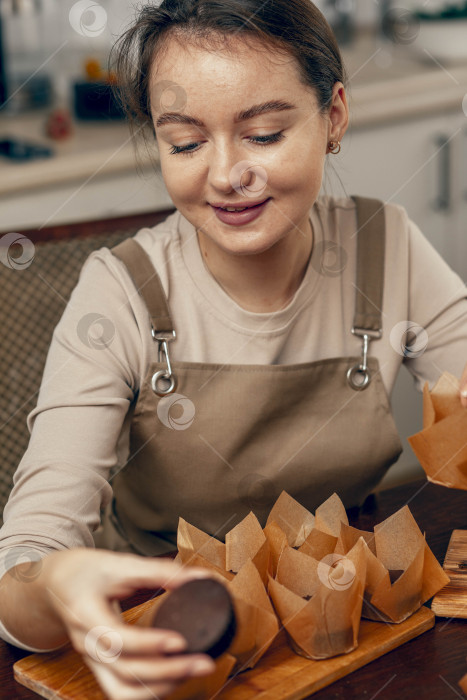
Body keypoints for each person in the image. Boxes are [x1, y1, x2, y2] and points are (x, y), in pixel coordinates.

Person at [1, 0, 467, 697]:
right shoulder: (120, 291)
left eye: (264, 133)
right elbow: (24, 569)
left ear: (333, 115)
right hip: (166, 638)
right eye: (185, 144)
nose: (224, 174)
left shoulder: (386, 244)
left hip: (341, 620)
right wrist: (55, 587)